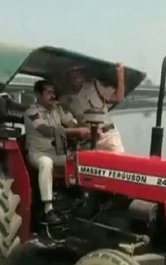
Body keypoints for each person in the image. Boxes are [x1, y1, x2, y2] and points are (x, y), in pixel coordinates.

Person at [24, 80, 89, 224]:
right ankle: (48, 209)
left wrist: (78, 118)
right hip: (37, 154)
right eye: (48, 92)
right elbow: (47, 131)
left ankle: (81, 200)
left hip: (56, 153)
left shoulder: (57, 110)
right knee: (46, 163)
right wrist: (76, 131)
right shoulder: (32, 112)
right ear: (38, 95)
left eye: (53, 92)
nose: (52, 96)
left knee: (78, 161)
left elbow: (73, 124)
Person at [60, 63, 126, 152]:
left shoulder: (95, 85)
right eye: (72, 73)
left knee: (120, 164)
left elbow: (118, 97)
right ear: (68, 76)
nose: (76, 76)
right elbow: (65, 120)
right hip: (89, 141)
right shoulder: (65, 98)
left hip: (108, 136)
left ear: (83, 74)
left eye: (78, 72)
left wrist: (120, 75)